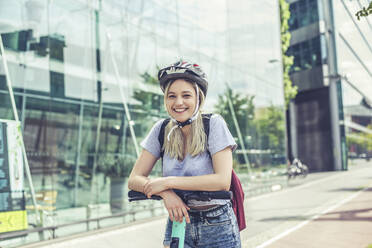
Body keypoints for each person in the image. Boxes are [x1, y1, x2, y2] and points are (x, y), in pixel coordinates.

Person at [128, 60, 241, 248]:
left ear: (198, 98)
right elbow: (134, 179)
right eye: (171, 96)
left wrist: (167, 182)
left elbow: (222, 180)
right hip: (178, 221)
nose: (178, 102)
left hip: (217, 224)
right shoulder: (161, 129)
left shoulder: (213, 124)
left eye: (186, 95)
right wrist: (166, 193)